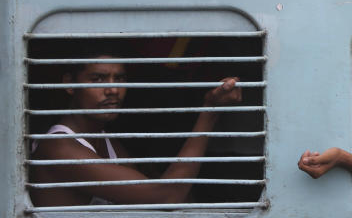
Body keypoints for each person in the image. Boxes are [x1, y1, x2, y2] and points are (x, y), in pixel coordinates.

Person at [29, 46, 243, 207]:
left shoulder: (103, 138)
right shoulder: (59, 148)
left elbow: (154, 193)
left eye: (119, 78)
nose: (113, 89)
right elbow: (165, 196)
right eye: (98, 79)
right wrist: (210, 112)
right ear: (69, 84)